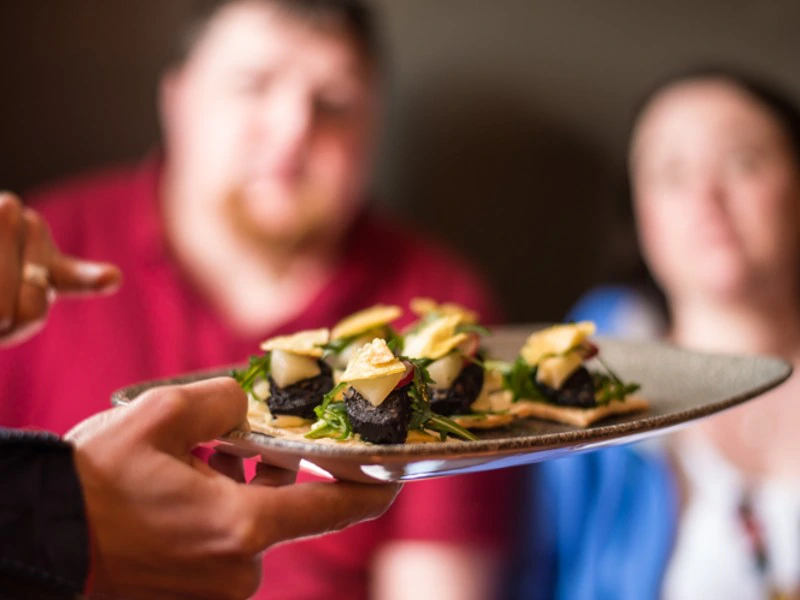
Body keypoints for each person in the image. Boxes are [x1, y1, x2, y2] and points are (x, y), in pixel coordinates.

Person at [0, 1, 516, 598]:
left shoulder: (443, 311)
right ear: (177, 99)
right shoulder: (34, 260)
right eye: (252, 85)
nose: (295, 126)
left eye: (335, 103)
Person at [0, 197, 400, 600]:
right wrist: (57, 523)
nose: (292, 132)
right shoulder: (43, 234)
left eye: (334, 126)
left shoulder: (420, 275)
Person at [508, 68, 800, 600]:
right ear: (639, 215)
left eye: (744, 161)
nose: (706, 197)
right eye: (671, 172)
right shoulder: (564, 392)